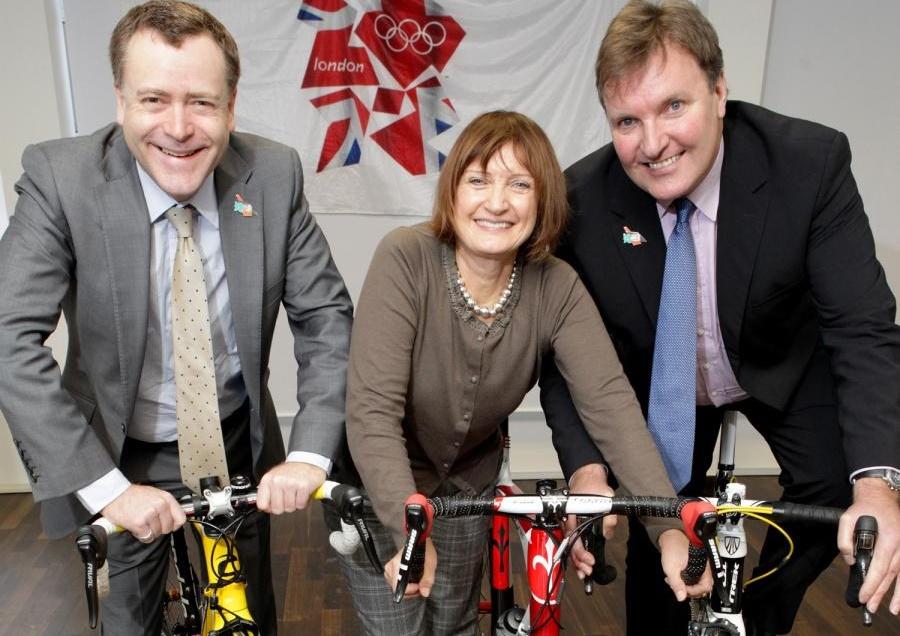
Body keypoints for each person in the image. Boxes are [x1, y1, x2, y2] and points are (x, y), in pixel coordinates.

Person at [539, 1, 900, 635]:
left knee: (839, 492)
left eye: (674, 106)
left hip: (776, 357)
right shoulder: (582, 204)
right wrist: (585, 469)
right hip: (660, 380)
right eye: (628, 120)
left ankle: (756, 618)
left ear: (720, 90)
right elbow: (564, 356)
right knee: (661, 526)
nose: (653, 144)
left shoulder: (808, 165)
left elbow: (863, 327)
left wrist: (878, 486)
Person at [0, 2, 352, 634]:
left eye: (202, 102)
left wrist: (309, 456)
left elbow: (327, 320)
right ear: (120, 101)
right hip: (119, 448)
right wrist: (106, 490)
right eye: (154, 99)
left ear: (231, 106)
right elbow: (6, 337)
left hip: (234, 439)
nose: (180, 127)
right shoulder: (60, 178)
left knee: (245, 614)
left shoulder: (272, 175)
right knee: (128, 618)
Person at [340, 110, 711, 635]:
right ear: (452, 192)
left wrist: (668, 528)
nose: (496, 202)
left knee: (455, 625)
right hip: (382, 486)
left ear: (542, 202)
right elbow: (372, 410)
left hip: (468, 485)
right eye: (478, 181)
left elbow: (611, 405)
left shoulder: (555, 285)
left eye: (519, 184)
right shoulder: (406, 257)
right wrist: (410, 534)